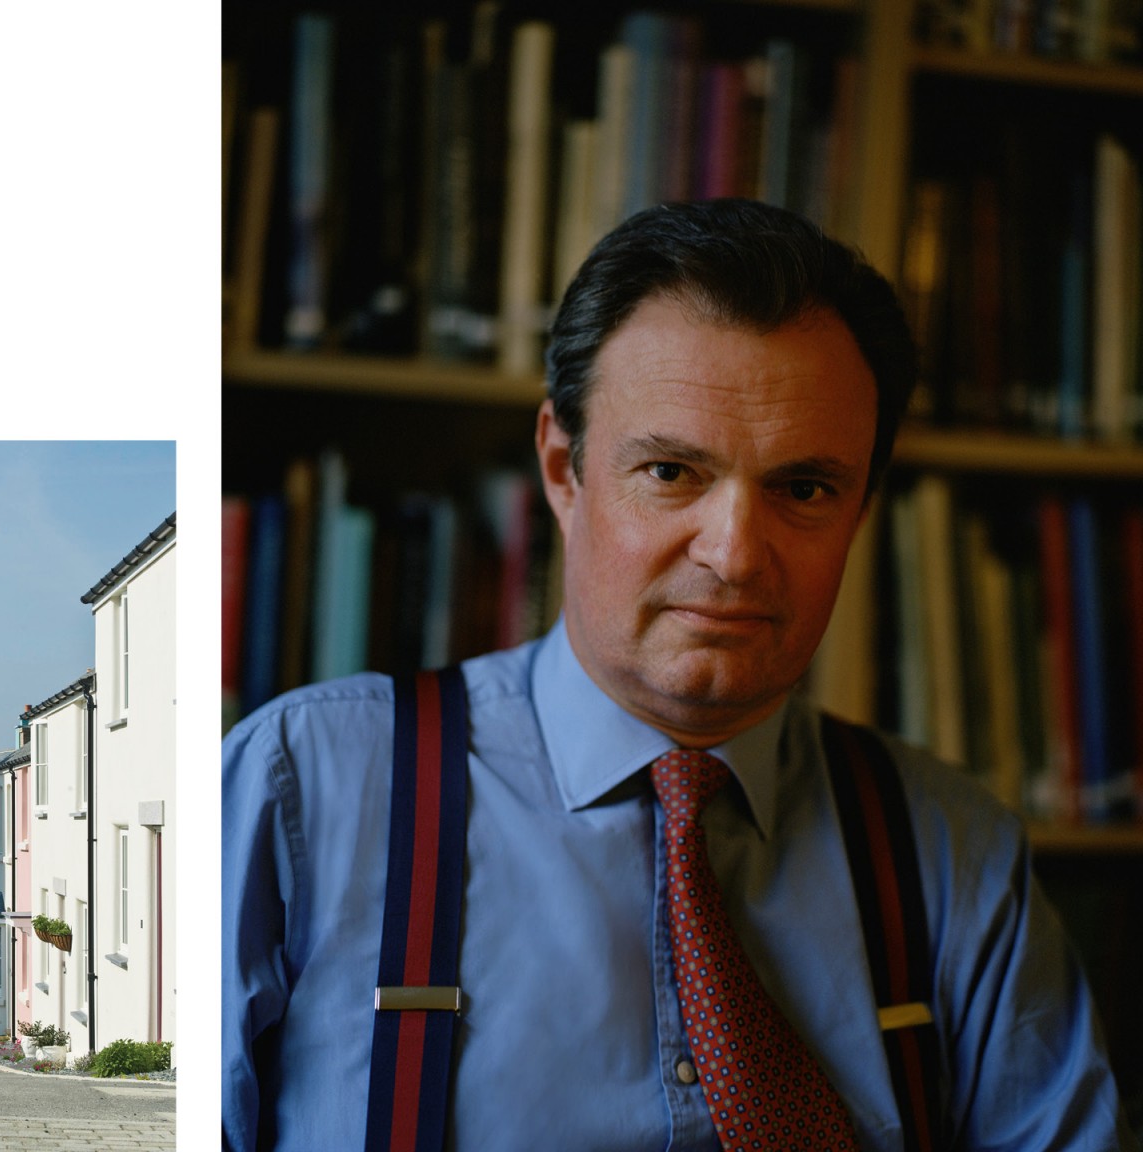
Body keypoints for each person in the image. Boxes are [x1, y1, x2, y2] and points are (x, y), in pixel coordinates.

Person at [222, 202, 1135, 1151]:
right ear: (563, 469)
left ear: (861, 508)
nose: (736, 554)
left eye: (805, 488)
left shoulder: (955, 856)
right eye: (670, 471)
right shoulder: (301, 788)